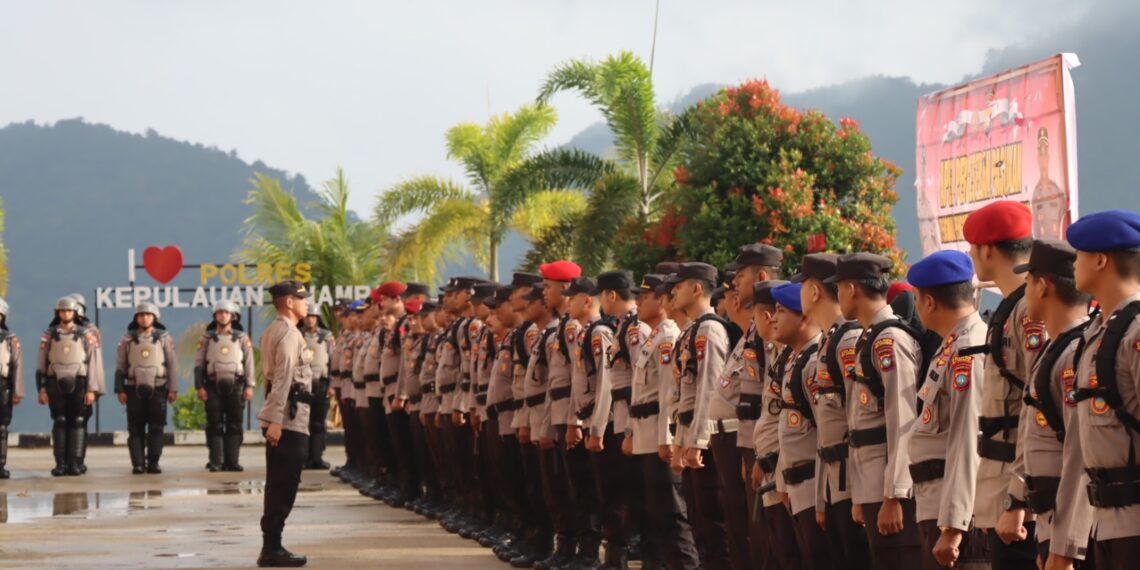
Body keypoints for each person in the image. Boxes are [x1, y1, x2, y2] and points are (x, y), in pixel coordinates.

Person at [964, 200, 1042, 569]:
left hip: (1021, 499)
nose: (971, 255)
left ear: (988, 249)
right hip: (1003, 486)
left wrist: (1019, 500)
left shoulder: (1029, 310)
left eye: (973, 247)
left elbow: (1038, 409)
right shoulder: (1012, 307)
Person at [834, 253, 924, 569]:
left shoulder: (889, 340)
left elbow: (903, 420)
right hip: (872, 485)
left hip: (889, 489)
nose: (838, 297)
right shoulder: (870, 337)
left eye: (839, 288)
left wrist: (895, 495)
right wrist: (862, 495)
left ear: (851, 288)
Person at [1066, 210, 1140, 569]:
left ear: (1100, 259)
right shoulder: (1098, 332)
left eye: (1079, 254)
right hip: (1105, 521)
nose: (1074, 264)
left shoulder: (1136, 330)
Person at [1014, 240, 1095, 568]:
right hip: (1053, 522)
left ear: (1043, 286)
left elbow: (1080, 457)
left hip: (1076, 535)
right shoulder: (1056, 349)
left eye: (1028, 282)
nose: (1026, 292)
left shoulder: (1073, 354)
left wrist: (1064, 550)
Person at [905, 250, 986, 569]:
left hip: (957, 518)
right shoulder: (951, 344)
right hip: (936, 506)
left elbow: (968, 439)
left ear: (928, 301)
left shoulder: (969, 348)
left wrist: (953, 527)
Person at [796, 254, 873, 569]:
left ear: (814, 292)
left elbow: (859, 419)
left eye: (802, 284)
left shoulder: (848, 340)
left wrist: (857, 493)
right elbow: (824, 429)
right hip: (833, 482)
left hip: (851, 483)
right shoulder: (831, 341)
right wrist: (821, 497)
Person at [628, 274, 701, 570]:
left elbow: (667, 394)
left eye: (644, 298)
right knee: (658, 513)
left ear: (660, 300)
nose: (637, 303)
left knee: (673, 516)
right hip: (648, 437)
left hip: (662, 440)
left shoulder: (668, 337)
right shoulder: (655, 337)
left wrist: (665, 440)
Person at [770, 282, 831, 570]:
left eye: (781, 311)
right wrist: (782, 481)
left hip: (813, 488)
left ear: (805, 318)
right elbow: (789, 429)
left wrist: (820, 500)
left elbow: (825, 434)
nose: (773, 318)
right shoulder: (795, 361)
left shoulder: (813, 363)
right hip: (795, 488)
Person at [256, 280, 316, 568]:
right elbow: (282, 379)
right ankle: (272, 549)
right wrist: (276, 420)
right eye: (302, 299)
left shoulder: (272, 331)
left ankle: (271, 545)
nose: (306, 303)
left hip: (282, 416)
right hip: (289, 420)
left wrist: (270, 418)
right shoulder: (290, 334)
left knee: (277, 483)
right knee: (283, 484)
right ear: (289, 302)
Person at [748, 280, 801, 570]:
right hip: (772, 467)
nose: (769, 320)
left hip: (788, 471)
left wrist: (772, 462)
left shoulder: (796, 358)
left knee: (791, 553)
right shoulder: (778, 357)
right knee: (779, 551)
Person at [37, 296, 105, 477]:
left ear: (75, 313)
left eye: (69, 310)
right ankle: (60, 463)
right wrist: (42, 389)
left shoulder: (85, 335)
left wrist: (92, 389)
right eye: (62, 310)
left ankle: (75, 463)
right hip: (54, 382)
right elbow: (41, 364)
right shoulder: (49, 335)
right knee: (59, 421)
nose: (65, 313)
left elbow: (93, 363)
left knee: (78, 421)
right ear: (57, 313)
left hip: (80, 383)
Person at [114, 302, 177, 474]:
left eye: (148, 315)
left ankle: (154, 463)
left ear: (155, 318)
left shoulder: (164, 338)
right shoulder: (127, 339)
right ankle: (138, 464)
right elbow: (120, 365)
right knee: (135, 429)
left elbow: (171, 364)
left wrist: (173, 389)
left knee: (156, 427)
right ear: (136, 318)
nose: (144, 318)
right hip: (133, 388)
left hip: (158, 387)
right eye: (141, 315)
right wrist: (120, 389)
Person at [194, 300, 256, 472]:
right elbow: (199, 363)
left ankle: (233, 461)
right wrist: (200, 386)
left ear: (233, 316)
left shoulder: (242, 338)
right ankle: (216, 461)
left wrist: (250, 385)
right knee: (215, 424)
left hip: (236, 385)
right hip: (213, 385)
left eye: (226, 313)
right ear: (215, 316)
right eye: (220, 313)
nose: (223, 315)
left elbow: (250, 363)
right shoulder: (206, 338)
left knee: (235, 424)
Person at [300, 303, 334, 470]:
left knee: (318, 423)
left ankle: (317, 457)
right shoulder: (298, 335)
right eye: (307, 316)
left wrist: (332, 385)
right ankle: (305, 457)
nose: (310, 319)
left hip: (322, 383)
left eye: (313, 316)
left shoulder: (327, 337)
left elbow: (334, 361)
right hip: (303, 385)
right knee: (303, 422)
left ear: (318, 318)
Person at [0, 297, 24, 479]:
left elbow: (17, 365)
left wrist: (17, 392)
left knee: (2, 428)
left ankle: (0, 465)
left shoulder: (9, 339)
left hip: (3, 385)